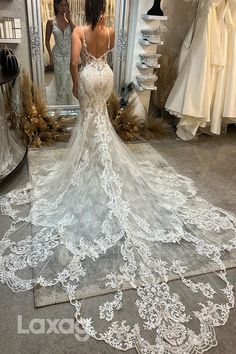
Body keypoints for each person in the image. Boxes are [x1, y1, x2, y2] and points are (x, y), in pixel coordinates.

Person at [0, 1, 236, 353]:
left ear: (86, 9)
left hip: (90, 80)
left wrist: (78, 88)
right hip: (104, 78)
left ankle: (92, 165)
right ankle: (99, 160)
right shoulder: (109, 32)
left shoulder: (80, 31)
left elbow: (71, 64)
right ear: (103, 11)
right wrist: (95, 81)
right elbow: (105, 58)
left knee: (91, 124)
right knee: (101, 126)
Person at [45, 0, 75, 105]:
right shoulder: (51, 22)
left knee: (68, 78)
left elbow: (76, 34)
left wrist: (70, 20)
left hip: (68, 55)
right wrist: (50, 55)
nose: (64, 8)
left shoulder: (69, 23)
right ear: (56, 6)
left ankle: (69, 104)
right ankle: (60, 105)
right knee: (59, 79)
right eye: (61, 5)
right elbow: (47, 40)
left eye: (66, 5)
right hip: (57, 54)